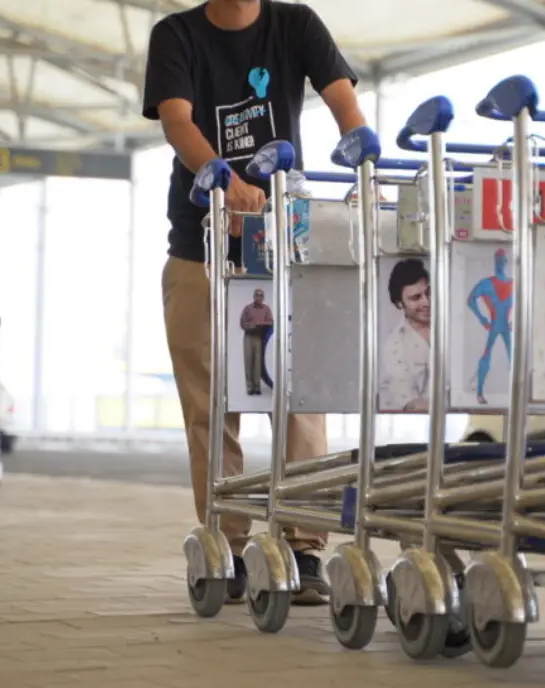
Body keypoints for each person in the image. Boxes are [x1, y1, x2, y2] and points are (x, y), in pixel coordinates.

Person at [142, 0, 368, 605]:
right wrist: (221, 173)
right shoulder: (177, 36)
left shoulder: (294, 24)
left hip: (283, 242)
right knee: (213, 402)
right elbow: (177, 120)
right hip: (201, 245)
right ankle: (229, 541)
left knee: (301, 394)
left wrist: (359, 142)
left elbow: (338, 91)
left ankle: (304, 546)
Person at [379, 259, 431, 412]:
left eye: (428, 293)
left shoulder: (454, 332)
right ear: (399, 303)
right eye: (416, 298)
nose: (426, 302)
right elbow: (411, 404)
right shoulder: (394, 346)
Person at [467, 248, 513, 405]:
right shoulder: (486, 284)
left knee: (513, 357)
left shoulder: (513, 284)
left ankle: (516, 393)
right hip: (494, 325)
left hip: (505, 326)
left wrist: (516, 320)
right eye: (498, 259)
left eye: (502, 259)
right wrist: (481, 319)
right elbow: (471, 300)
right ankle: (479, 392)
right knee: (486, 356)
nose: (500, 262)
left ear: (506, 262)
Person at [238, 288, 273, 396]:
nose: (259, 297)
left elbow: (270, 321)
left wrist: (259, 323)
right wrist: (251, 325)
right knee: (249, 362)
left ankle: (257, 387)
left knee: (258, 362)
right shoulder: (248, 308)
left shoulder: (266, 309)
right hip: (249, 336)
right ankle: (250, 387)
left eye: (261, 295)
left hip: (259, 337)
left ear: (263, 297)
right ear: (254, 297)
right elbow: (242, 323)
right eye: (257, 295)